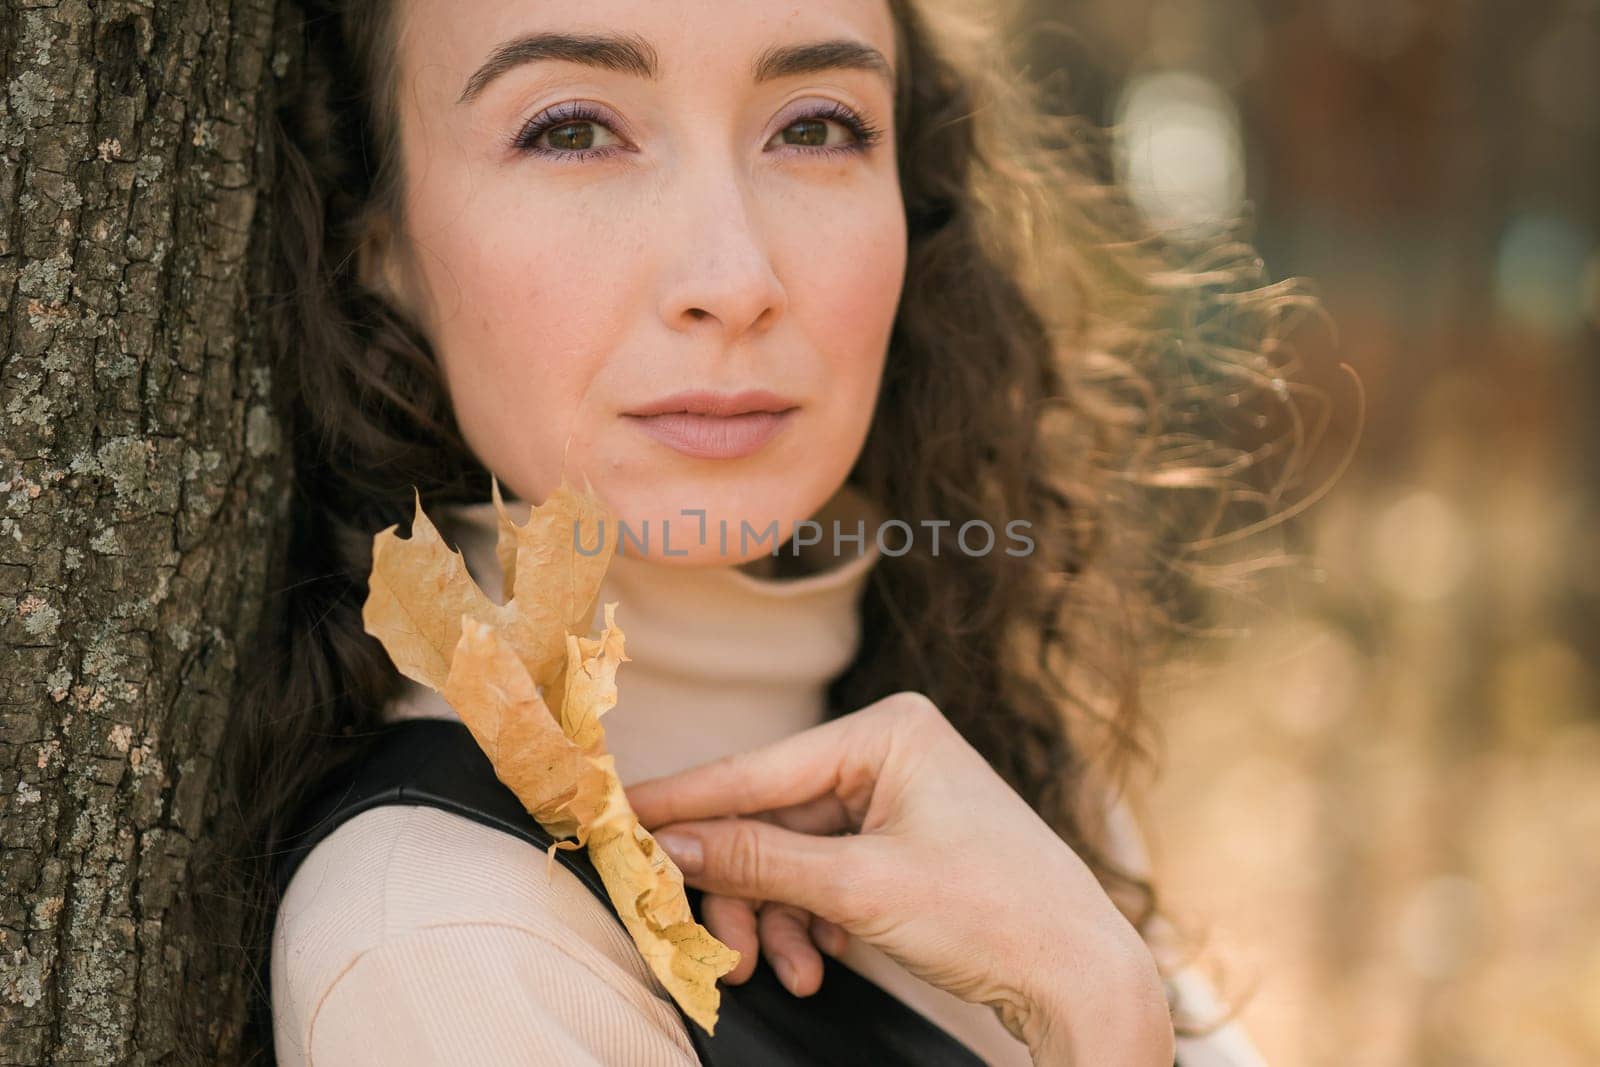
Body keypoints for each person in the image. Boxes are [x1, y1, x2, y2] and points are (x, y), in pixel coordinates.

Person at [223, 0, 1308, 1062]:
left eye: (814, 127)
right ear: (378, 239)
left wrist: (1083, 965)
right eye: (572, 130)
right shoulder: (450, 952)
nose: (734, 281)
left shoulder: (967, 751)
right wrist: (1101, 1015)